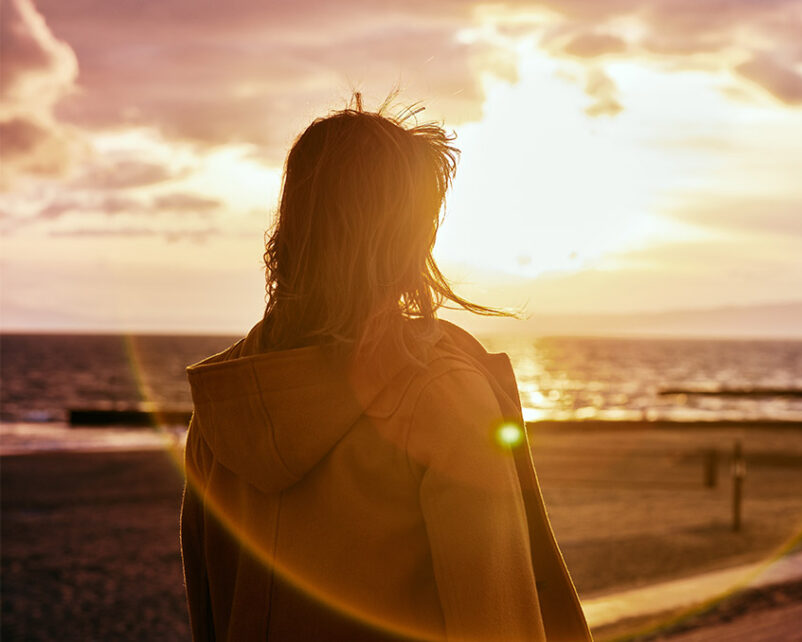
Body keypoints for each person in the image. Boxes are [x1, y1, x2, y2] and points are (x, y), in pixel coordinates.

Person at [180, 97, 592, 642]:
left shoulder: (228, 400)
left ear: (294, 227)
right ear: (409, 237)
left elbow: (210, 611)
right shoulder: (440, 394)